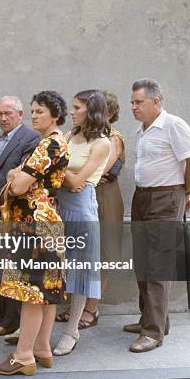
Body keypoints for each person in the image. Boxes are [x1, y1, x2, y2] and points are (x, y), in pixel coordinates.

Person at [0, 91, 69, 376]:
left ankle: (23, 355)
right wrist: (17, 174)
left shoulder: (47, 144)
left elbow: (19, 185)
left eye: (40, 111)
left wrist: (15, 175)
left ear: (54, 115)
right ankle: (41, 349)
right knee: (46, 291)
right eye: (33, 110)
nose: (35, 115)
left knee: (30, 292)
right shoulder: (57, 141)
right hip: (48, 222)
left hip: (33, 225)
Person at [126, 78, 190, 353]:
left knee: (158, 266)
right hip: (142, 198)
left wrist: (184, 192)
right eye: (132, 102)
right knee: (143, 263)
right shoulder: (142, 130)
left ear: (156, 102)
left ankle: (153, 333)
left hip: (165, 200)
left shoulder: (174, 125)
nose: (133, 107)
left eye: (139, 102)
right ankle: (151, 318)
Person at [52, 90, 111, 356]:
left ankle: (71, 330)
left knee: (80, 271)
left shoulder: (102, 144)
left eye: (77, 107)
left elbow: (77, 182)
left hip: (82, 211)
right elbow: (64, 176)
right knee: (52, 268)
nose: (72, 112)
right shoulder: (67, 136)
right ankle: (35, 326)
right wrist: (65, 174)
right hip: (59, 207)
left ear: (91, 110)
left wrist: (59, 171)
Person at [0, 96, 40, 336]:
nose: (3, 118)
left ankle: (8, 320)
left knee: (9, 266)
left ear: (20, 115)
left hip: (11, 212)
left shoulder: (31, 139)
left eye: (8, 113)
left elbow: (21, 177)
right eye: (0, 114)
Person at [79, 91, 125, 329]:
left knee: (101, 255)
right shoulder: (84, 135)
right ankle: (77, 307)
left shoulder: (113, 138)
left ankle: (91, 308)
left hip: (105, 200)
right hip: (85, 197)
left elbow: (98, 172)